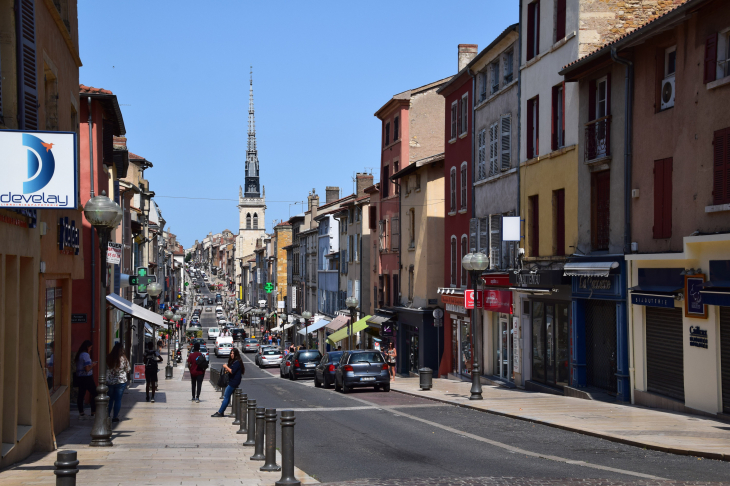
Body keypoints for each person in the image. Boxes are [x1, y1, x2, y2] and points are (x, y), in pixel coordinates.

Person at [211, 348, 244, 417]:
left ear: (236, 354)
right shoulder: (234, 362)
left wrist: (226, 366)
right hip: (232, 381)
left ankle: (220, 412)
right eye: (231, 353)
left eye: (233, 353)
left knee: (226, 396)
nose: (231, 355)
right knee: (227, 397)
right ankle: (221, 411)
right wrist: (227, 369)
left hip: (233, 382)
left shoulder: (237, 362)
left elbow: (232, 371)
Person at [106, 343, 130, 423]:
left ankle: (107, 416)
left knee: (110, 400)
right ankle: (115, 417)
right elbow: (128, 370)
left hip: (110, 381)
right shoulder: (124, 359)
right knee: (118, 400)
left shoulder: (109, 357)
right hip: (121, 381)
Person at [75, 340, 97, 417]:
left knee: (81, 394)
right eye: (90, 348)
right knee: (95, 393)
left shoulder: (79, 354)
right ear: (87, 347)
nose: (90, 349)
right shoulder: (85, 355)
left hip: (80, 377)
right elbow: (87, 368)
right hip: (87, 377)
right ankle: (93, 412)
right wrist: (93, 365)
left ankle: (81, 412)